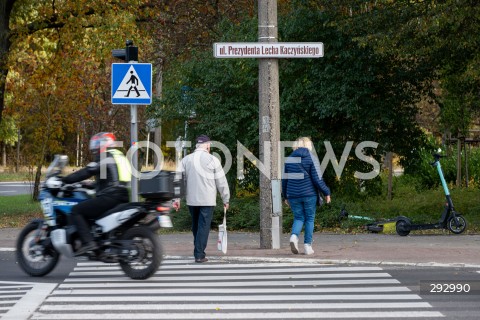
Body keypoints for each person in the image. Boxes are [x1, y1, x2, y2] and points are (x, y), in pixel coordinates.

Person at [61, 132, 131, 255]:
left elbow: (87, 171)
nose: (95, 147)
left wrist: (65, 180)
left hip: (109, 197)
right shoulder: (119, 156)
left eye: (97, 144)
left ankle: (89, 243)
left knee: (76, 210)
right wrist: (89, 185)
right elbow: (113, 179)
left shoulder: (104, 156)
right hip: (122, 195)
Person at [176, 134, 230, 263]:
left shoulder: (186, 160)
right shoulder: (213, 160)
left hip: (191, 200)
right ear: (207, 145)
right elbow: (221, 181)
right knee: (203, 226)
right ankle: (199, 254)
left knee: (196, 226)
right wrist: (225, 199)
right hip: (207, 200)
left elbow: (178, 180)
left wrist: (176, 199)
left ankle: (198, 251)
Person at [282, 137, 331, 255]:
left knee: (299, 218)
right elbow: (317, 179)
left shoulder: (289, 159)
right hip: (309, 194)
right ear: (309, 145)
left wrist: (285, 196)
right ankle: (307, 246)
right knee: (309, 218)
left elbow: (284, 180)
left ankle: (294, 237)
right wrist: (326, 192)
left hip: (293, 194)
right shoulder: (311, 158)